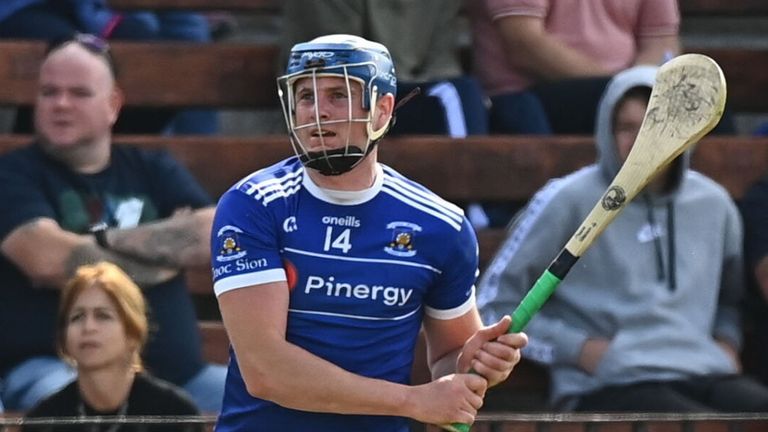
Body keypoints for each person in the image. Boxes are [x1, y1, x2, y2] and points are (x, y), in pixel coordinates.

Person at [210, 34, 528, 431]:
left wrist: (473, 364)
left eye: (337, 95)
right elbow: (266, 371)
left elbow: (449, 355)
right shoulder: (253, 205)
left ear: (382, 109)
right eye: (305, 96)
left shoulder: (441, 225)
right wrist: (412, 401)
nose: (317, 112)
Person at [476, 64, 768, 412]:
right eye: (627, 127)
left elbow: (730, 299)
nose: (642, 140)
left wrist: (727, 343)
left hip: (704, 370)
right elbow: (494, 304)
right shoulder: (566, 199)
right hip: (607, 382)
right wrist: (578, 348)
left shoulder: (715, 204)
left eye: (653, 125)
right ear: (606, 131)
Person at [0, 34, 225, 413]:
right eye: (49, 92)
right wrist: (165, 250)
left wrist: (93, 245)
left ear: (113, 104)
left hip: (179, 376)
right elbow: (47, 259)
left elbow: (213, 234)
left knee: (274, 402)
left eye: (79, 93)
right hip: (54, 370)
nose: (61, 105)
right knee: (78, 405)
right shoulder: (13, 174)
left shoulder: (153, 168)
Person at [21, 262, 203, 432]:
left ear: (132, 333)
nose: (88, 327)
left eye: (103, 316)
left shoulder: (175, 415)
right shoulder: (44, 420)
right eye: (77, 317)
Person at [0, 1, 218, 135]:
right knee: (69, 60)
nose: (62, 104)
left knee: (161, 66)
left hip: (94, 10)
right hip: (24, 7)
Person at [467, 0, 682, 135]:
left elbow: (661, 40)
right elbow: (525, 44)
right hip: (529, 95)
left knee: (705, 107)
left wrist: (634, 87)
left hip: (620, 89)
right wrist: (621, 89)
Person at [281, 0, 489, 138]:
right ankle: (477, 205)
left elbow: (442, 63)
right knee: (454, 95)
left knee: (461, 95)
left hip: (403, 95)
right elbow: (335, 62)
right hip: (338, 98)